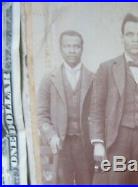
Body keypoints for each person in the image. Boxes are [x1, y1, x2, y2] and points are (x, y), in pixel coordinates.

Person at [88, 13, 138, 184]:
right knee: (116, 181)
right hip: (118, 137)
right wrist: (98, 142)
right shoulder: (107, 68)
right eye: (130, 34)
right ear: (122, 37)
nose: (135, 39)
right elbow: (96, 109)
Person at [37, 30, 94, 184]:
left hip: (84, 145)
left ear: (82, 48)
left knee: (87, 182)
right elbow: (41, 114)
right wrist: (51, 136)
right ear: (61, 48)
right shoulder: (49, 79)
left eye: (76, 46)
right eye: (67, 46)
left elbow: (99, 114)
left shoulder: (93, 79)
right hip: (61, 144)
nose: (72, 50)